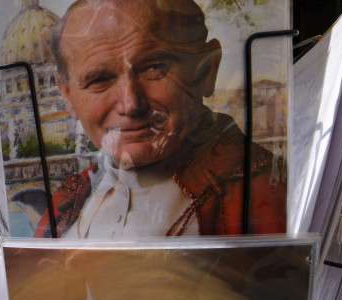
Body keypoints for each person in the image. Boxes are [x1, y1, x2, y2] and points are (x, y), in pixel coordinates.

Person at [34, 0, 286, 239]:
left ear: (207, 70)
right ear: (66, 95)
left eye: (153, 67)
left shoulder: (269, 192)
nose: (130, 104)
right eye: (99, 79)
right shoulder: (68, 200)